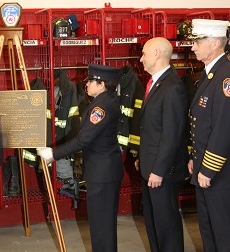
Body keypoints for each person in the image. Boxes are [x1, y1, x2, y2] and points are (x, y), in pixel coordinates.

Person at [38, 64, 123, 252]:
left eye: (90, 81)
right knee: (103, 224)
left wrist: (53, 154)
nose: (87, 85)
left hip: (102, 174)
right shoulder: (106, 100)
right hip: (103, 171)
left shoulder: (101, 107)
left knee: (102, 226)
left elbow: (83, 139)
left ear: (101, 84)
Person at [188, 19, 230, 251]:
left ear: (216, 43)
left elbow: (225, 128)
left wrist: (208, 168)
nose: (193, 47)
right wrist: (194, 158)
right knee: (208, 231)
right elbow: (202, 124)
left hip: (219, 174)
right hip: (205, 170)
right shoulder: (211, 75)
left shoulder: (227, 78)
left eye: (198, 41)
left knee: (225, 235)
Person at [134, 37, 188, 252]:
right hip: (151, 167)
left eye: (144, 54)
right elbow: (152, 129)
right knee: (154, 223)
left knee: (166, 225)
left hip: (162, 172)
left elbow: (172, 134)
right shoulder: (155, 83)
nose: (141, 59)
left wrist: (159, 169)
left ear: (156, 53)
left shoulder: (173, 87)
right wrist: (142, 157)